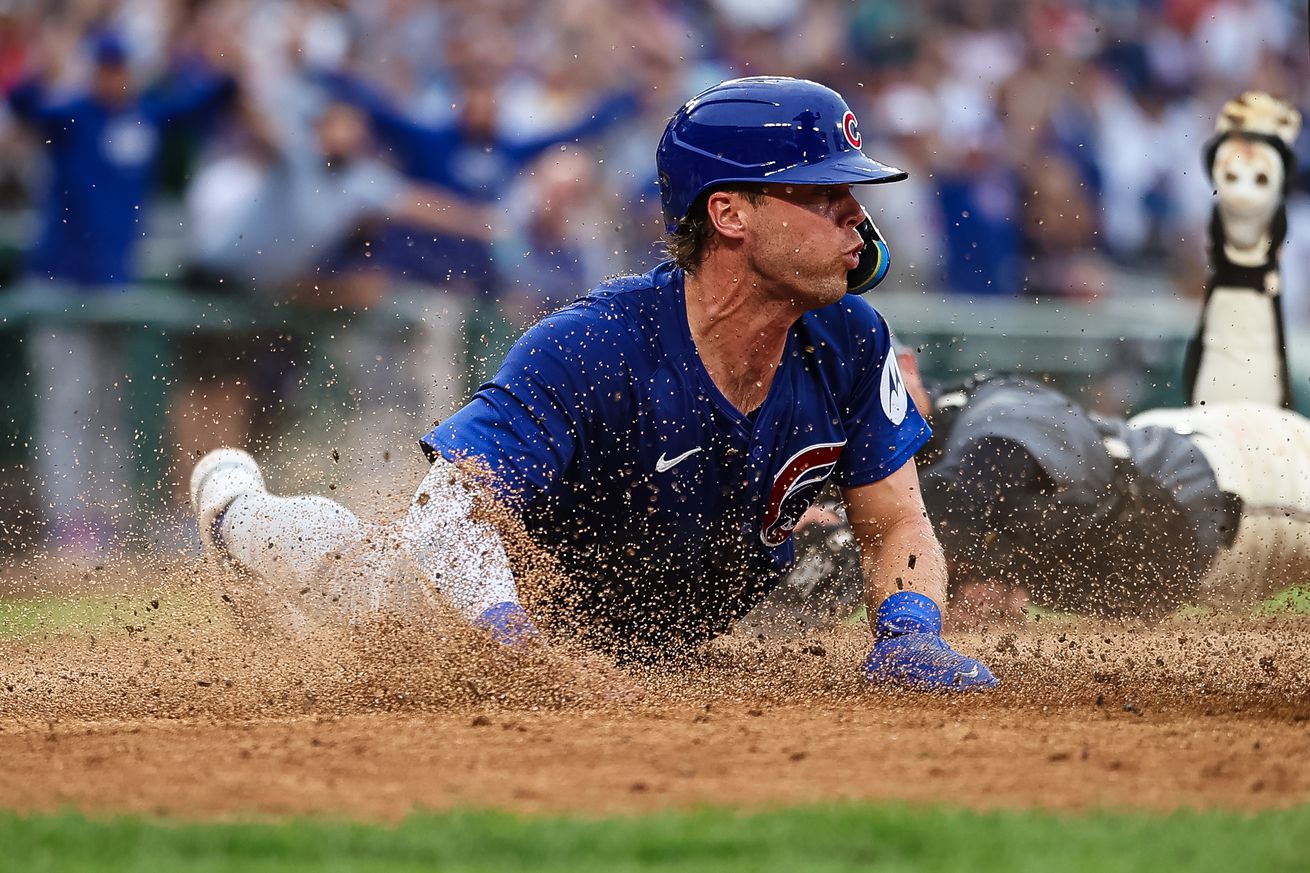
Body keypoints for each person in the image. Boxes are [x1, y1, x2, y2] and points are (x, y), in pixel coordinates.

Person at [189, 76, 998, 691]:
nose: (857, 213)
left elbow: (895, 521)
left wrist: (908, 630)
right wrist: (516, 650)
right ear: (730, 215)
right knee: (357, 576)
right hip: (480, 602)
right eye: (825, 194)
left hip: (669, 618)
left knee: (817, 541)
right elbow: (445, 514)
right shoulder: (592, 347)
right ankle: (233, 512)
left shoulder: (852, 340)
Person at [902, 92, 1310, 621]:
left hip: (1251, 477)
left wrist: (845, 530)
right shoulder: (901, 466)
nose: (865, 416)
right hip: (1199, 506)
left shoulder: (987, 405)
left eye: (871, 390)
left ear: (908, 367)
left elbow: (985, 477)